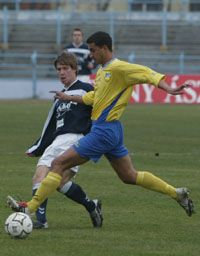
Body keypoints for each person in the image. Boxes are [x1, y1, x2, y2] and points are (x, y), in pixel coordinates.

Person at [7, 31, 194, 222]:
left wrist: (170, 89)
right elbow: (93, 98)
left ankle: (29, 208)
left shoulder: (119, 67)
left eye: (93, 50)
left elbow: (147, 74)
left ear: (105, 49)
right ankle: (177, 193)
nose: (91, 54)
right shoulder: (103, 71)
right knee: (129, 176)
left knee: (58, 164)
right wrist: (68, 97)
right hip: (111, 130)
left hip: (104, 131)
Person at [23, 51, 103, 228]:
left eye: (65, 68)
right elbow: (50, 126)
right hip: (56, 142)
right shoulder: (59, 97)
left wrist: (95, 139)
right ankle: (42, 221)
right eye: (59, 69)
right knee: (40, 176)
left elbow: (100, 112)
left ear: (75, 69)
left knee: (58, 182)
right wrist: (37, 147)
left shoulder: (86, 89)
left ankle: (91, 205)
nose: (61, 72)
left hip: (76, 141)